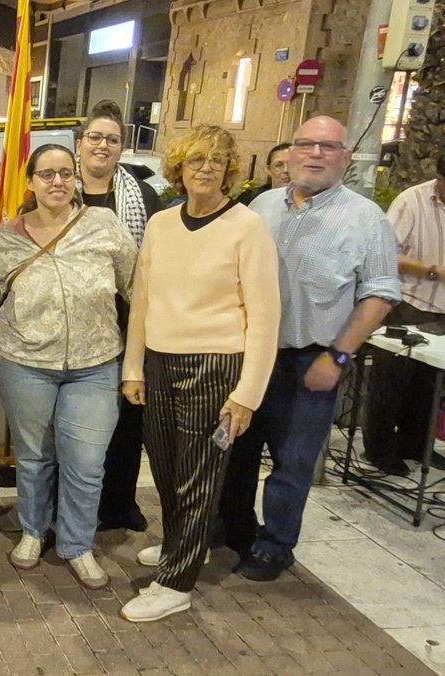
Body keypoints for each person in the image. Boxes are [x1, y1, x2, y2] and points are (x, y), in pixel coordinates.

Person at [226, 115, 400, 582]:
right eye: (306, 144)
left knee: (294, 461)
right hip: (250, 357)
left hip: (311, 362)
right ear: (291, 152)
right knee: (236, 451)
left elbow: (381, 293)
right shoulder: (262, 206)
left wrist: (338, 355)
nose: (316, 154)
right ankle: (234, 528)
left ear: (346, 157)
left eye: (328, 147)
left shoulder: (366, 219)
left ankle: (275, 546)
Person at [117, 126, 281, 622]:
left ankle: (175, 582)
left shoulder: (247, 227)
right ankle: (182, 545)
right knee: (166, 467)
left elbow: (265, 317)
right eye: (195, 160)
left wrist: (247, 395)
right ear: (178, 169)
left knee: (199, 475)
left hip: (215, 365)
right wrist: (133, 367)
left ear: (229, 170)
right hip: (160, 361)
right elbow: (143, 300)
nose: (205, 169)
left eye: (216, 161)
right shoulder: (162, 224)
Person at [0, 144, 137, 589]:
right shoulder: (6, 238)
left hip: (96, 363)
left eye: (65, 173)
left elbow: (136, 287)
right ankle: (34, 530)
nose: (57, 182)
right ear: (30, 182)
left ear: (76, 178)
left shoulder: (104, 224)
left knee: (86, 461)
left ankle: (76, 544)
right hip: (25, 362)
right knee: (34, 456)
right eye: (46, 174)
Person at [76, 101, 162, 533]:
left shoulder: (143, 196)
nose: (103, 146)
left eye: (112, 139)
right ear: (79, 143)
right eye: (95, 137)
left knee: (128, 416)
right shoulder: (57, 187)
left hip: (129, 318)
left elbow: (156, 259)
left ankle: (118, 504)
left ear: (122, 147)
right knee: (76, 421)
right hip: (74, 320)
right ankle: (71, 505)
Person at [364, 145, 445, 476]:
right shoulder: (412, 202)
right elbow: (385, 254)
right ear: (441, 179)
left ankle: (417, 446)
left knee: (431, 389)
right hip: (410, 306)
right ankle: (379, 451)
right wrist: (433, 271)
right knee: (391, 386)